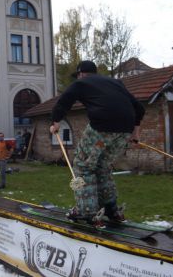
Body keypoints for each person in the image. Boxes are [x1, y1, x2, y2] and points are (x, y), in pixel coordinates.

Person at [50, 60, 145, 226]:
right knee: (102, 166)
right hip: (124, 130)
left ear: (80, 74)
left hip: (102, 128)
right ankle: (111, 209)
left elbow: (65, 100)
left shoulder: (81, 82)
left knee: (83, 165)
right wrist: (135, 133)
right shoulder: (116, 83)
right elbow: (139, 108)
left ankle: (86, 211)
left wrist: (56, 121)